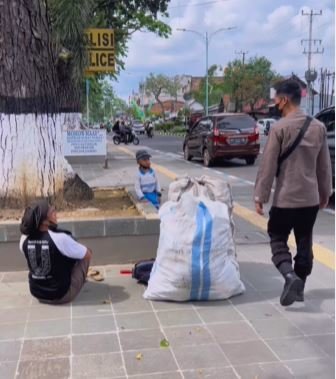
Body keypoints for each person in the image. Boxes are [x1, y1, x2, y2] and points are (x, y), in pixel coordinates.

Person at [254, 79, 332, 307]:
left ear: (285, 99)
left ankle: (290, 277)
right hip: (309, 200)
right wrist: (325, 193)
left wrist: (261, 196)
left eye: (276, 99)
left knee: (277, 238)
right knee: (304, 240)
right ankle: (299, 287)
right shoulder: (318, 127)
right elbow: (324, 167)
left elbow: (267, 167)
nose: (275, 104)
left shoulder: (279, 128)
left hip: (285, 199)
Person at [19, 200, 92, 304]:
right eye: (52, 211)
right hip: (61, 295)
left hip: (37, 293)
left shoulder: (24, 239)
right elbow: (87, 254)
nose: (55, 213)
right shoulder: (59, 238)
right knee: (85, 254)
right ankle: (77, 281)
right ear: (44, 221)